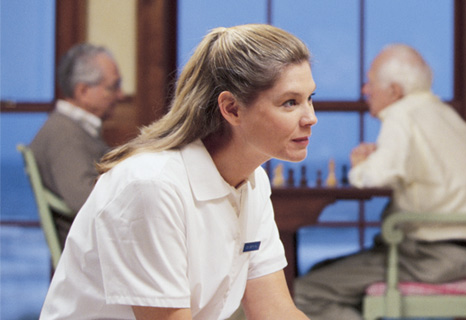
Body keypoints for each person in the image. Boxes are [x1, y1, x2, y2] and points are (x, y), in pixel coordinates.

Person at [39, 24, 313, 319]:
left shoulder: (253, 180)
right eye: (290, 103)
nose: (311, 117)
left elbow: (275, 311)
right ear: (231, 108)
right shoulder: (151, 185)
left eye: (310, 98)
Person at [293, 44, 466, 319]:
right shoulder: (440, 112)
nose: (365, 90)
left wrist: (360, 165)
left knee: (305, 291)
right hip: (464, 254)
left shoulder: (402, 115)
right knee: (322, 271)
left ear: (395, 91)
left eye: (370, 82)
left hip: (428, 258)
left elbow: (372, 178)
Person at [30, 43, 123, 248]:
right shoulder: (64, 135)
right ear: (83, 90)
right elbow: (84, 199)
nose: (121, 95)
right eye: (113, 87)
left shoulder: (73, 130)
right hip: (91, 254)